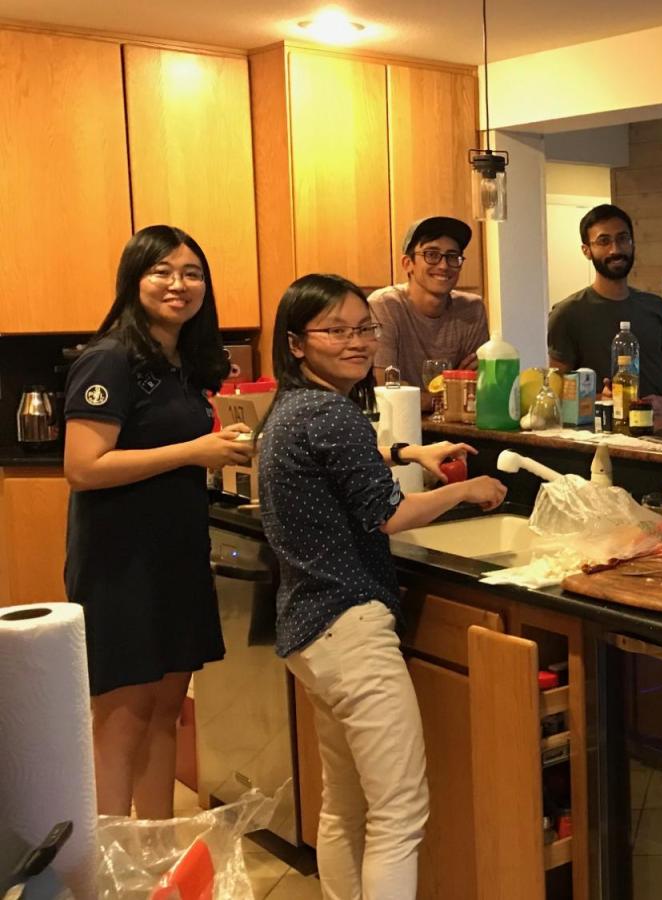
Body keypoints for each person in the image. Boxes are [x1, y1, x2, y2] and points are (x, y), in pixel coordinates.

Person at [257, 273, 507, 897]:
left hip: (307, 629)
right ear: (296, 343)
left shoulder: (293, 408)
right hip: (351, 628)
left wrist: (407, 454)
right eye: (334, 331)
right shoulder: (329, 412)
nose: (355, 341)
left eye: (363, 327)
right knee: (398, 814)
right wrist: (464, 490)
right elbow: (387, 515)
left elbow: (345, 455)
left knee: (345, 806)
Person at [63, 225, 249, 817]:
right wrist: (196, 451)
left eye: (192, 273)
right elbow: (83, 467)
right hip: (121, 565)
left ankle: (156, 857)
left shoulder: (181, 363)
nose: (179, 284)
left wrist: (216, 447)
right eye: (162, 271)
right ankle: (114, 870)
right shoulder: (109, 357)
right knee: (123, 717)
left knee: (166, 712)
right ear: (134, 280)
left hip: (175, 557)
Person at [547, 204, 662, 417]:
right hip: (602, 436)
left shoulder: (656, 307)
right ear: (586, 251)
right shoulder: (567, 313)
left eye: (623, 238)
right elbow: (556, 392)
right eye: (604, 241)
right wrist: (598, 399)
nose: (615, 249)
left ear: (632, 244)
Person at [368, 215, 488, 386]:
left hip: (455, 414)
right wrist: (451, 389)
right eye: (431, 254)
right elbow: (386, 385)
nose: (444, 266)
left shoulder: (471, 308)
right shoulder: (385, 305)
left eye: (452, 256)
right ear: (408, 263)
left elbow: (476, 385)